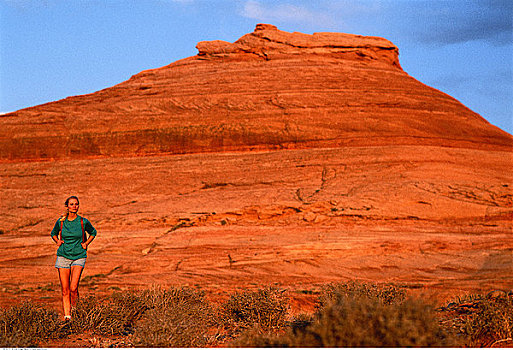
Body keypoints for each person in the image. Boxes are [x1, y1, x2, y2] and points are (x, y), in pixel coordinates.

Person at [50, 196, 97, 321]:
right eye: (71, 204)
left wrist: (86, 243)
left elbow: (93, 232)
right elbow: (53, 233)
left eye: (76, 204)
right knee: (65, 290)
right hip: (63, 256)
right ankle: (68, 317)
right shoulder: (61, 221)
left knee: (73, 288)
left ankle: (76, 314)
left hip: (79, 256)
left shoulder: (83, 221)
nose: (74, 206)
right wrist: (57, 241)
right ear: (67, 206)